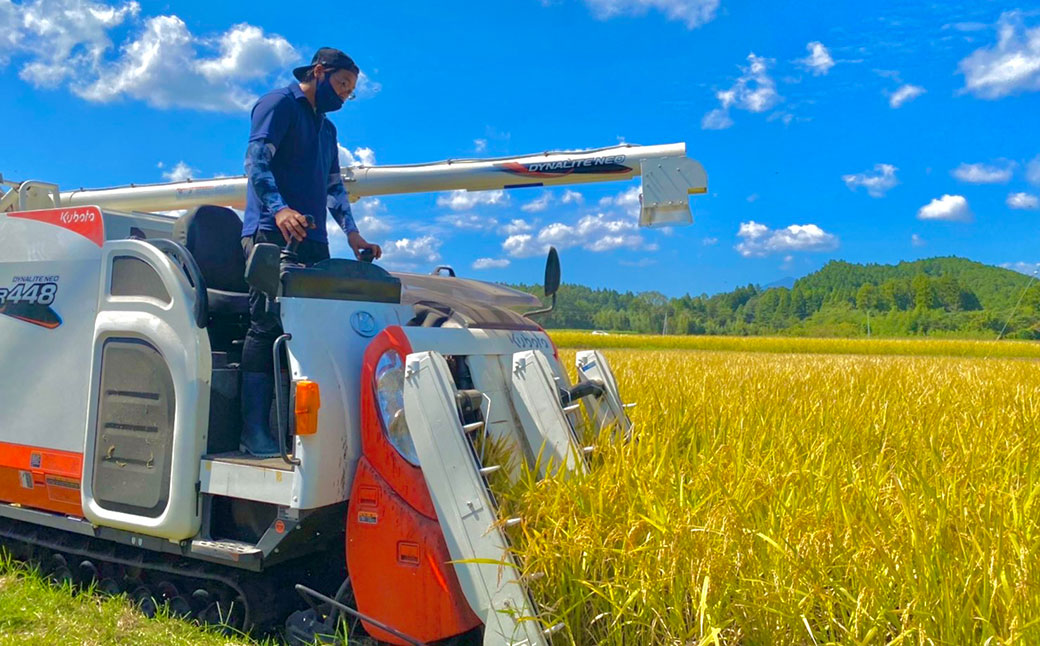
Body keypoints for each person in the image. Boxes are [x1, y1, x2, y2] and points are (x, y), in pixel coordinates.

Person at [239, 47, 382, 457]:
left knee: (313, 331)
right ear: (319, 72)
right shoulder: (278, 105)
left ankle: (295, 429)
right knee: (267, 325)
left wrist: (353, 236)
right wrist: (280, 210)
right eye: (341, 85)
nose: (344, 97)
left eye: (350, 92)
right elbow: (256, 163)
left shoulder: (327, 129)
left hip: (313, 241)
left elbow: (334, 187)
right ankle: (253, 431)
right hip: (270, 232)